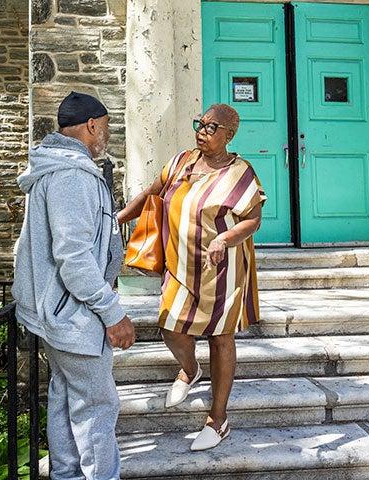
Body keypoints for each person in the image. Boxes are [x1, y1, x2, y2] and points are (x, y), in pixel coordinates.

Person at [118, 103, 266, 451]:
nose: (202, 130)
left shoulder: (240, 172)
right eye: (200, 123)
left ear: (229, 135)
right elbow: (151, 194)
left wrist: (223, 238)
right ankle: (189, 369)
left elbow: (252, 220)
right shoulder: (181, 161)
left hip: (223, 270)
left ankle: (218, 419)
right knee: (171, 327)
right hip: (179, 266)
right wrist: (117, 218)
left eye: (212, 127)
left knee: (220, 337)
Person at [13, 91, 136, 479]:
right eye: (107, 128)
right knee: (98, 407)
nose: (108, 137)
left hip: (60, 313)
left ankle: (67, 475)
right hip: (74, 316)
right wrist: (112, 312)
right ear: (92, 125)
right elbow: (74, 257)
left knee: (66, 399)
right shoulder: (71, 175)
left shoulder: (62, 169)